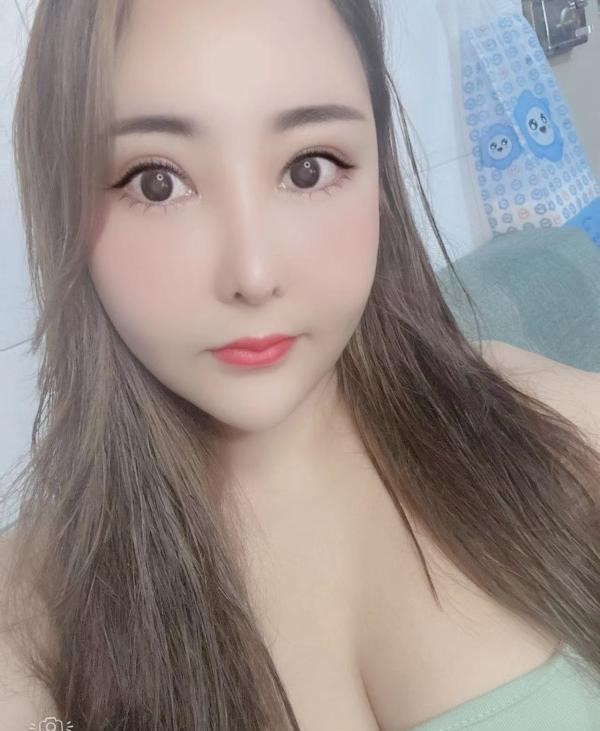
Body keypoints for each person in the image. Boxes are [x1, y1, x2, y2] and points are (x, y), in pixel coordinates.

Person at [2, 1, 600, 730]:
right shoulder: (29, 613)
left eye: (308, 168)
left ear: (378, 170)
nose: (253, 275)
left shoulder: (554, 431)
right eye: (157, 182)